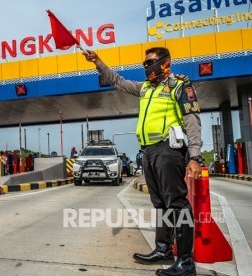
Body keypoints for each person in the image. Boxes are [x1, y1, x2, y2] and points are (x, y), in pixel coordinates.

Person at [84, 47, 202, 276]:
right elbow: (116, 81)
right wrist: (97, 61)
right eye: (145, 63)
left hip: (169, 150)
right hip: (148, 152)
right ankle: (163, 249)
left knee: (177, 205)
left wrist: (195, 156)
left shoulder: (179, 85)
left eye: (151, 62)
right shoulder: (145, 88)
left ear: (166, 62)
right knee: (160, 204)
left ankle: (186, 262)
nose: (147, 67)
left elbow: (192, 119)